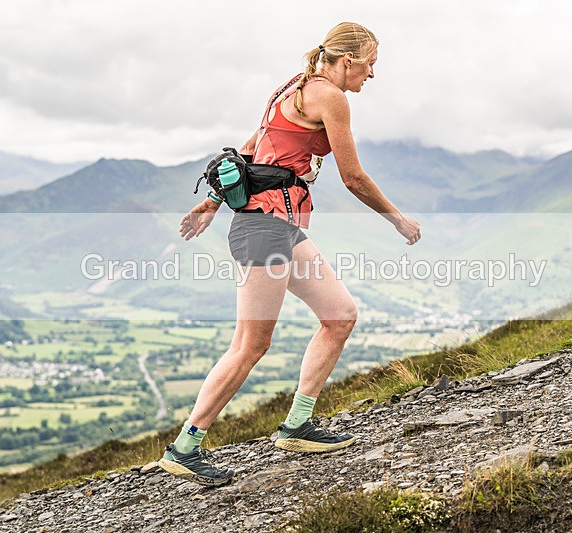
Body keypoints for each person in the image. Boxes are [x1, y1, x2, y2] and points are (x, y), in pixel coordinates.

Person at [159, 21, 421, 486]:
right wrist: (398, 219)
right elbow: (353, 177)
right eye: (370, 65)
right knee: (251, 344)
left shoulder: (291, 88)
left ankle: (297, 424)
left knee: (339, 314)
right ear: (347, 61)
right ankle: (185, 447)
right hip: (264, 230)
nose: (373, 75)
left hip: (282, 229)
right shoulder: (328, 96)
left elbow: (249, 149)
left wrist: (212, 202)